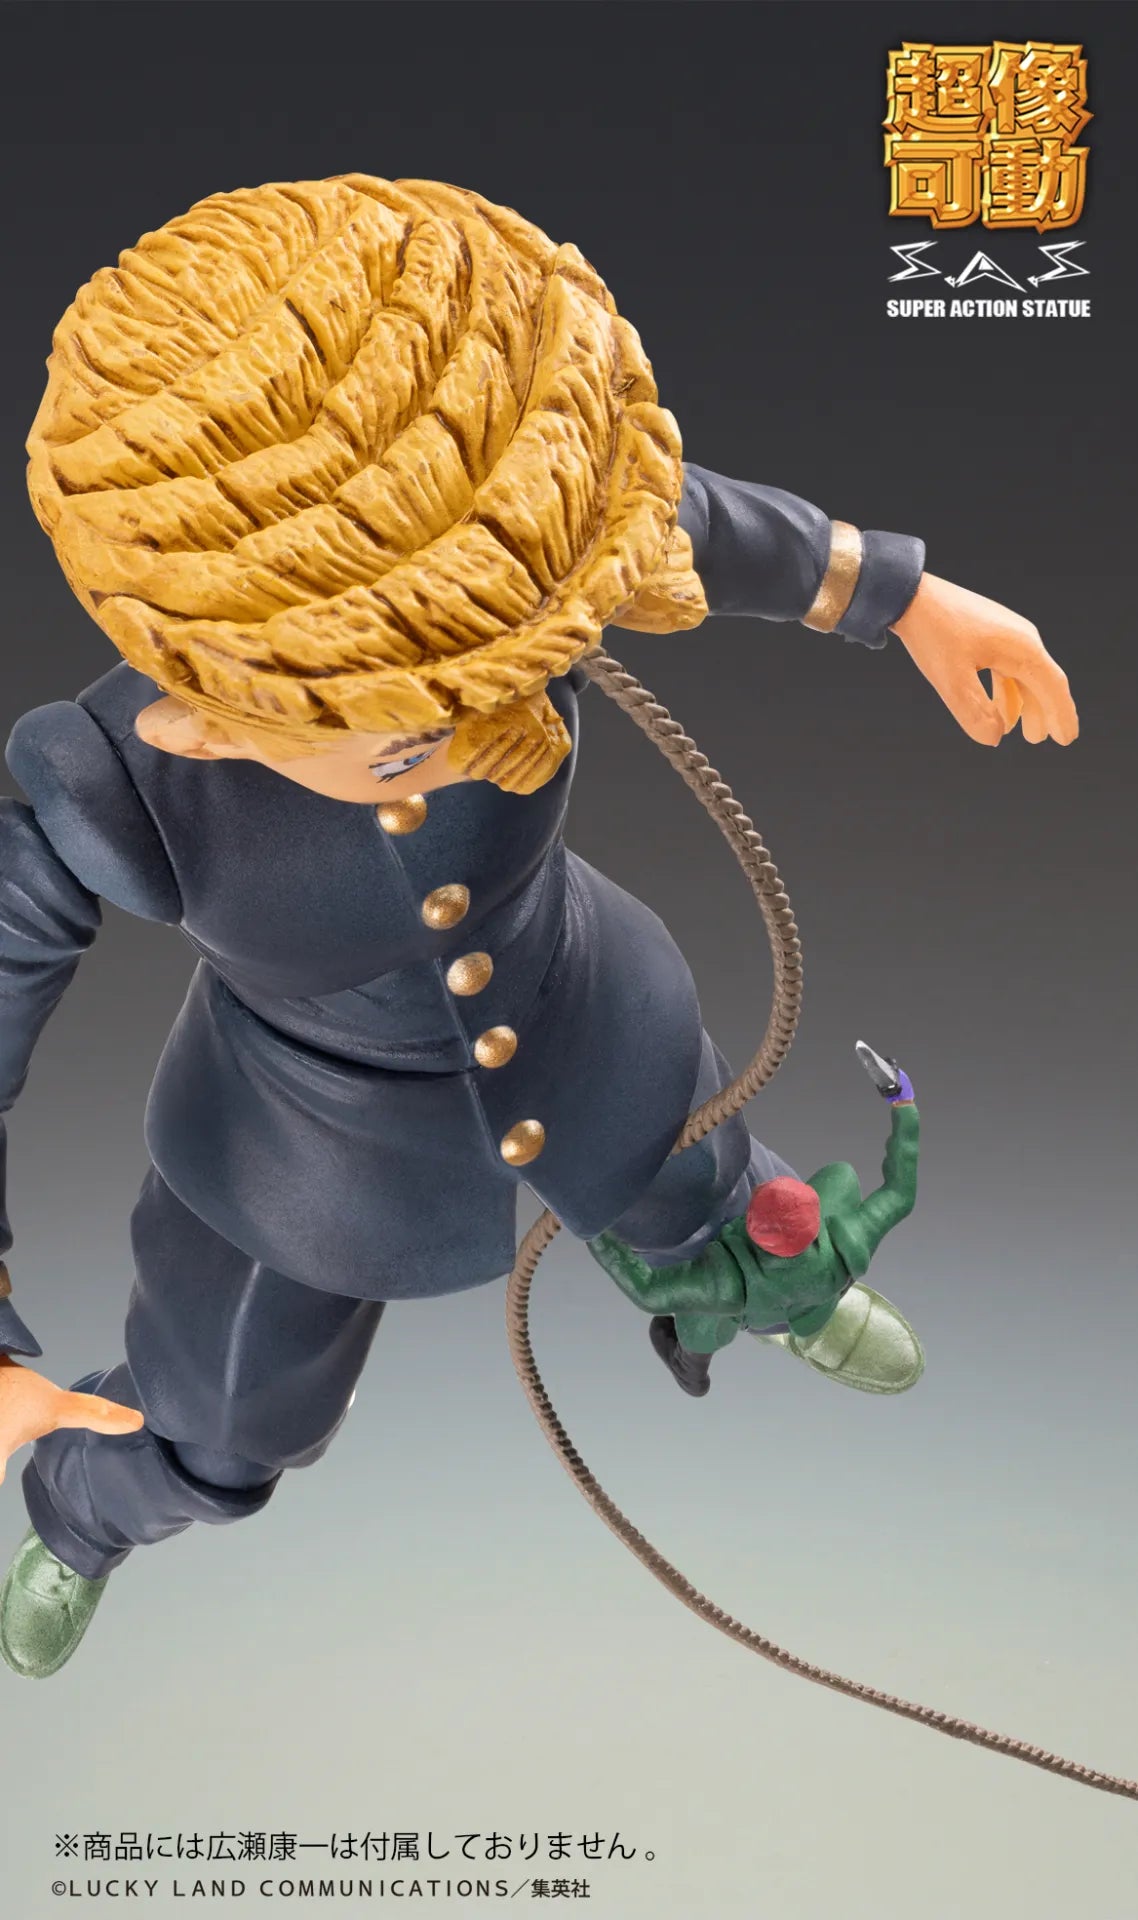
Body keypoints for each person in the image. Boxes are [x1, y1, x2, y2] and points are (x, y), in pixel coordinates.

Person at [0, 175, 1077, 1679]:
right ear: (214, 706)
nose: (480, 729)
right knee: (220, 1427)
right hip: (301, 1146)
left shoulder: (513, 547)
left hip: (582, 1004)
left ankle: (767, 1279)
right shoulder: (114, 778)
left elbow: (671, 518)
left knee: (711, 1187)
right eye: (403, 733)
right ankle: (83, 1514)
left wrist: (899, 597)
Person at [590, 1046, 921, 1397]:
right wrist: (902, 1099)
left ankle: (689, 1369)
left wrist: (592, 1224)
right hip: (818, 1279)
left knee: (702, 1318)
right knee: (839, 1175)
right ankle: (705, 1365)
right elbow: (900, 1192)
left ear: (753, 1226)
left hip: (746, 1295)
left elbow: (650, 1292)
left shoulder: (726, 1283)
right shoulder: (849, 1240)